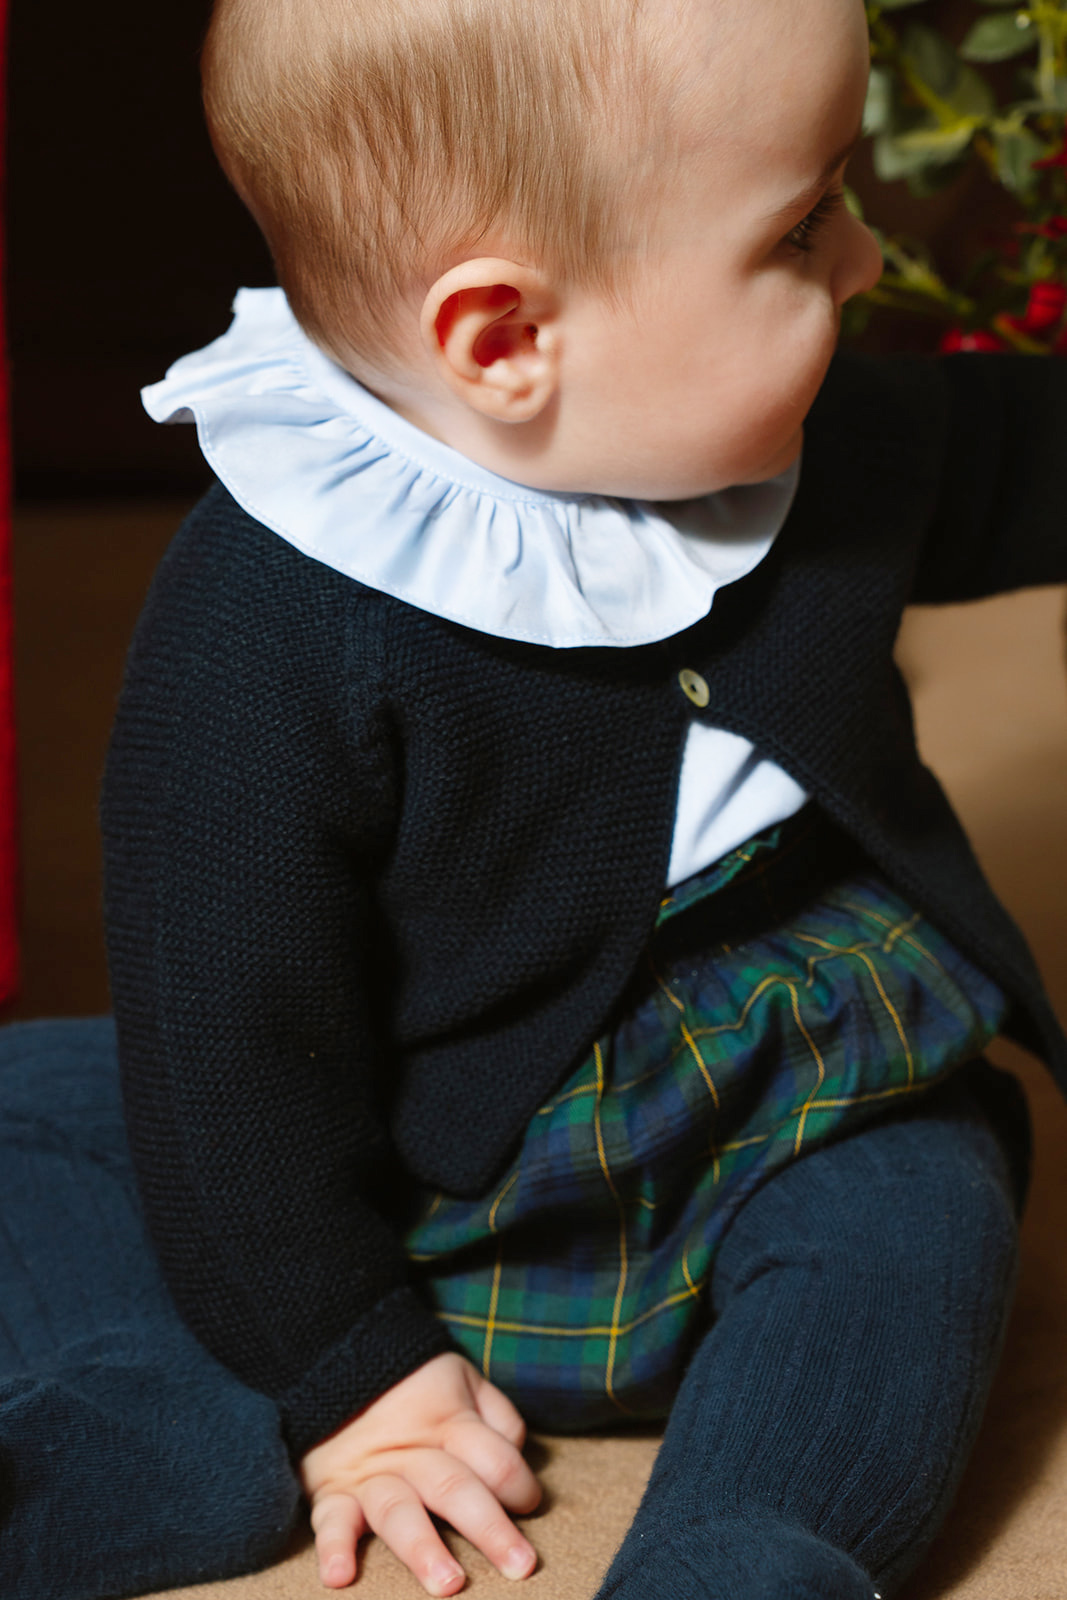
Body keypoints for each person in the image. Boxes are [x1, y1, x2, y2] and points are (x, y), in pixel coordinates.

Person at [2, 0, 1065, 1596]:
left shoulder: (817, 442)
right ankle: (123, 1420)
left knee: (922, 1206)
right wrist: (349, 1364)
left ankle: (744, 1549)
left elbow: (1023, 450)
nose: (864, 260)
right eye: (801, 227)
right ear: (505, 340)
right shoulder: (268, 622)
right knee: (78, 1117)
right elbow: (226, 1029)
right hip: (402, 1143)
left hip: (794, 1107)